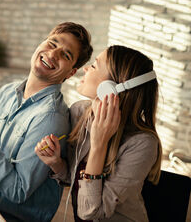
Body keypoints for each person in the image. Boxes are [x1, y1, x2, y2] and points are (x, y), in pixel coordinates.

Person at [0, 22, 93, 221]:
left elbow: (17, 191)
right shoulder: (8, 92)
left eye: (66, 55)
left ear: (71, 73)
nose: (53, 54)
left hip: (8, 215)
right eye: (52, 43)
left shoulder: (50, 118)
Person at [35, 45, 162, 221]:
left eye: (94, 65)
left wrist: (99, 144)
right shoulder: (79, 112)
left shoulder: (142, 143)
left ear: (111, 88)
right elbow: (75, 180)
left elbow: (91, 212)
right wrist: (56, 163)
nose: (85, 69)